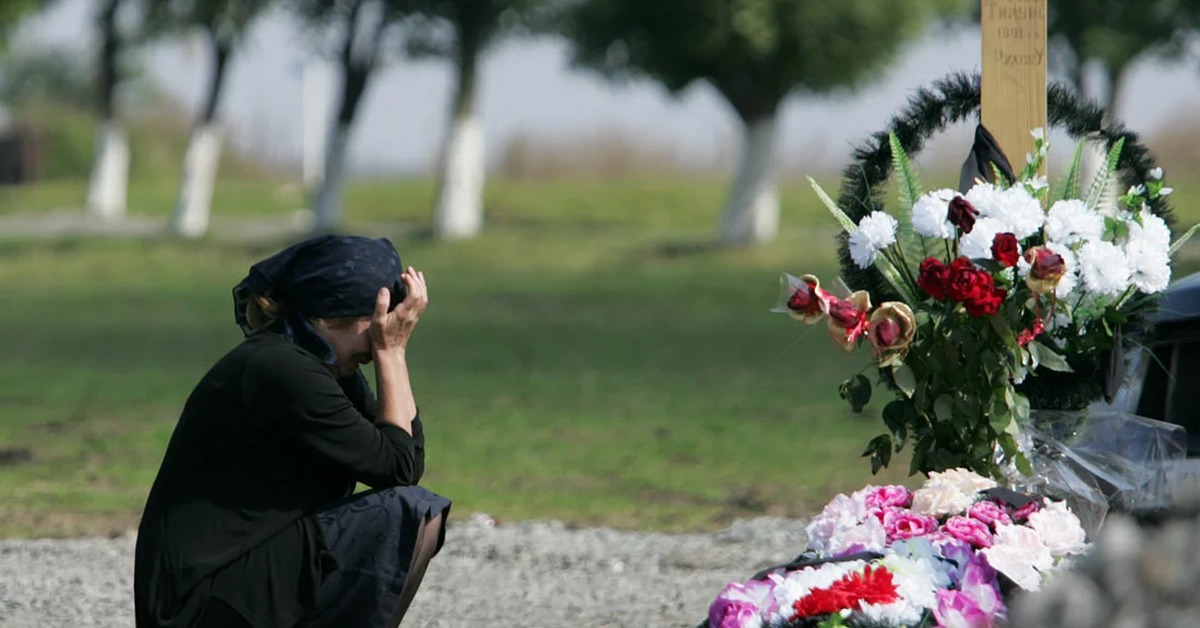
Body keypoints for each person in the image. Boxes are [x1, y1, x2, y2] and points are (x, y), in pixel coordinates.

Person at [134, 235, 451, 628]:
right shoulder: (283, 369)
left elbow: (407, 462)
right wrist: (392, 353)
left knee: (411, 508)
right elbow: (398, 470)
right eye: (378, 320)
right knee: (408, 512)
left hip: (234, 578)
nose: (383, 332)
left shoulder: (324, 367)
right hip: (197, 603)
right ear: (334, 312)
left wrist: (393, 356)